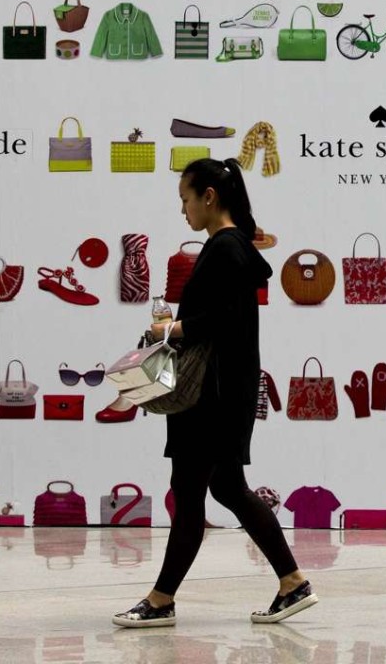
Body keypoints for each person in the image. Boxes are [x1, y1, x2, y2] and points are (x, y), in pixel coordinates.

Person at [113, 158, 318, 628]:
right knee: (226, 486)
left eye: (185, 199)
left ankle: (161, 599)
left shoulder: (226, 248)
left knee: (188, 492)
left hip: (212, 393)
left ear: (209, 197)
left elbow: (225, 320)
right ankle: (292, 582)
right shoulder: (231, 246)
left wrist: (173, 327)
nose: (182, 210)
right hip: (226, 390)